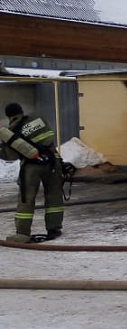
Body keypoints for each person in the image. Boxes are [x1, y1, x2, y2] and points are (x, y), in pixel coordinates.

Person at [1, 103, 65, 243]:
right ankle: (54, 229)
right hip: (52, 162)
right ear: (21, 111)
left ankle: (22, 233)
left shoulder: (12, 131)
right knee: (54, 196)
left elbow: (11, 156)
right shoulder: (38, 120)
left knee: (26, 199)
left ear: (9, 116)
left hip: (31, 168)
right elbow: (49, 137)